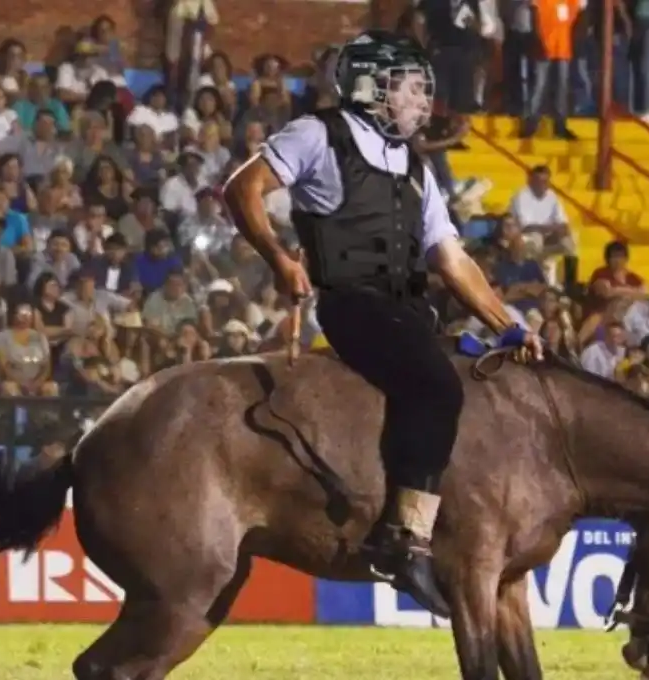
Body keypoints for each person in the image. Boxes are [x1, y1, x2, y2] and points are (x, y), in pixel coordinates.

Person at [223, 30, 543, 619]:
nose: (424, 98)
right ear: (373, 87)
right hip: (353, 305)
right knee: (436, 387)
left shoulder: (415, 165)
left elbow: (451, 258)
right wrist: (280, 259)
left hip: (410, 310)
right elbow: (243, 189)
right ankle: (403, 540)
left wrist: (507, 325)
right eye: (413, 86)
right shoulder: (317, 133)